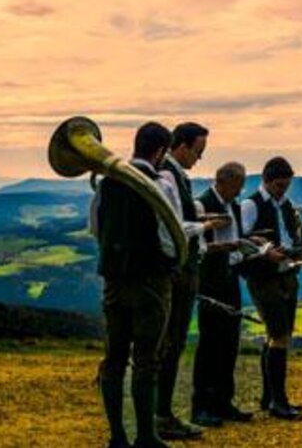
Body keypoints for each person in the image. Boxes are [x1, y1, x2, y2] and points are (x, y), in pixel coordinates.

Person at [93, 122, 206, 448]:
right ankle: (146, 436)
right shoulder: (161, 184)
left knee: (113, 358)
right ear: (161, 151)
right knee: (147, 359)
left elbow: (96, 228)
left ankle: (117, 437)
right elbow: (170, 239)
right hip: (152, 282)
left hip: (114, 279)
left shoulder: (107, 182)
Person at [155, 122, 215, 440]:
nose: (198, 159)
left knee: (171, 343)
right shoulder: (168, 174)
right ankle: (161, 414)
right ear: (182, 146)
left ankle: (159, 412)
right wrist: (203, 227)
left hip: (181, 268)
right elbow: (174, 225)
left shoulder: (171, 173)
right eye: (198, 152)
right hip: (180, 270)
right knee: (172, 342)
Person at [240, 156, 302, 420]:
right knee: (278, 335)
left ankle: (270, 397)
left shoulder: (287, 205)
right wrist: (266, 252)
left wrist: (299, 251)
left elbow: (293, 233)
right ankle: (279, 401)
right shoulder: (250, 205)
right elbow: (241, 238)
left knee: (280, 335)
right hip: (264, 276)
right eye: (279, 185)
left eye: (286, 186)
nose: (283, 190)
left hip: (287, 273)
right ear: (266, 181)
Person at [191, 161, 254, 427]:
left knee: (229, 343)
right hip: (210, 282)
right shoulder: (201, 204)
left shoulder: (234, 206)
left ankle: (223, 401)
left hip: (230, 278)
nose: (240, 192)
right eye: (238, 186)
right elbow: (199, 246)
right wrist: (230, 246)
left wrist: (248, 247)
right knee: (210, 344)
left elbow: (236, 238)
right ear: (224, 181)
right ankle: (201, 405)